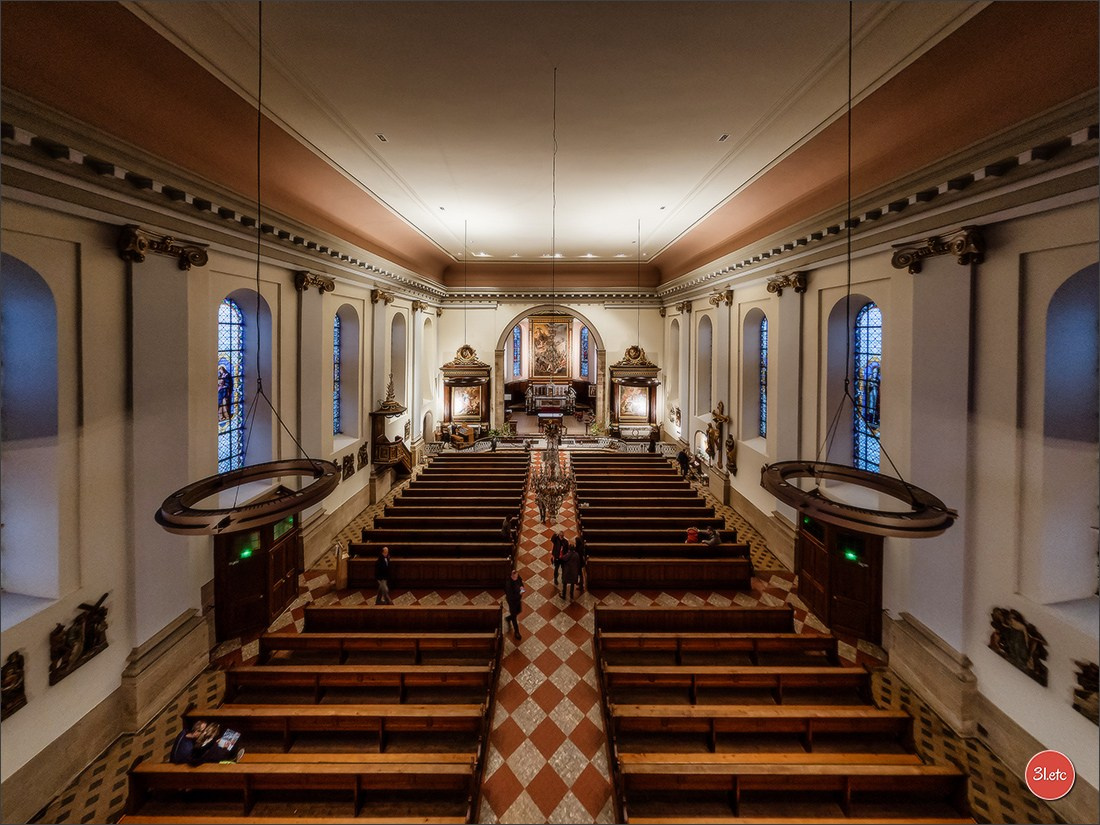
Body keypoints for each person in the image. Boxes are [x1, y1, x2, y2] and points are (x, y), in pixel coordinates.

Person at [170, 720, 242, 765]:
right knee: (221, 750)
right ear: (196, 732)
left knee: (228, 739)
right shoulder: (187, 747)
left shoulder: (184, 733)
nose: (205, 734)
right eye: (203, 731)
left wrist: (213, 743)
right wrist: (215, 747)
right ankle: (232, 758)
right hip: (186, 767)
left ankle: (232, 755)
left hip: (191, 761)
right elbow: (197, 760)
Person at [504, 568, 525, 641]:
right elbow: (510, 596)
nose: (516, 577)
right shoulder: (508, 584)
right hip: (512, 601)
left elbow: (521, 583)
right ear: (511, 576)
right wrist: (519, 594)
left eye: (516, 575)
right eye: (515, 576)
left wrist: (522, 588)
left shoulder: (517, 577)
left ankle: (508, 618)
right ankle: (517, 632)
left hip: (518, 599)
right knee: (514, 616)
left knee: (518, 611)